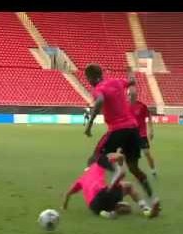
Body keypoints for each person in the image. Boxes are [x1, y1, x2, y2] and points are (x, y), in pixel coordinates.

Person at [84, 64, 157, 205]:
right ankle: (153, 199)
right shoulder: (116, 81)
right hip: (133, 129)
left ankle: (112, 177)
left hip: (117, 129)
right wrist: (130, 73)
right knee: (134, 168)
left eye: (88, 79)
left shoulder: (98, 89)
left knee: (95, 157)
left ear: (91, 78)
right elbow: (131, 81)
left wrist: (89, 125)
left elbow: (99, 101)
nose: (88, 82)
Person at [62, 149, 160, 219]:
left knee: (126, 208)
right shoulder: (99, 164)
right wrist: (120, 157)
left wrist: (64, 206)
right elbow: (119, 157)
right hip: (104, 194)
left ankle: (106, 212)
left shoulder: (81, 178)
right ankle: (146, 209)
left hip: (94, 206)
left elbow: (67, 194)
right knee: (129, 186)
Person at [129, 89, 157, 178]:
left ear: (136, 96)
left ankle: (153, 171)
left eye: (133, 95)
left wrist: (151, 130)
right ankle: (117, 169)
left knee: (147, 153)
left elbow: (149, 117)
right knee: (122, 153)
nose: (131, 96)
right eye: (130, 94)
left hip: (141, 134)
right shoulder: (124, 105)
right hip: (129, 134)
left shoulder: (142, 106)